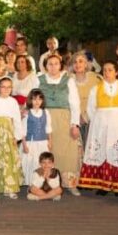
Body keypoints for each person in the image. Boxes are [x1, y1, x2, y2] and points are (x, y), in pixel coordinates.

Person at [78, 61, 118, 196]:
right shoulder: (96, 89)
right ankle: (103, 185)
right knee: (102, 152)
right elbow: (91, 108)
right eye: (104, 70)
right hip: (100, 125)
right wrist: (98, 121)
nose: (107, 73)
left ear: (116, 72)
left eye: (110, 70)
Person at [36, 54, 82, 195]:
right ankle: (47, 183)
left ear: (60, 65)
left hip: (64, 119)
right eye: (50, 64)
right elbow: (32, 98)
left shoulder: (68, 81)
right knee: (47, 151)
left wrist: (75, 124)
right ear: (46, 66)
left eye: (56, 63)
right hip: (44, 118)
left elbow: (75, 103)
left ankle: (70, 184)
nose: (53, 66)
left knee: (68, 152)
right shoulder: (39, 80)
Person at [21, 90, 52, 188]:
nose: (37, 101)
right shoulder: (27, 113)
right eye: (34, 99)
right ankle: (32, 184)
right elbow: (23, 130)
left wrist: (50, 141)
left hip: (43, 142)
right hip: (31, 143)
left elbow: (48, 128)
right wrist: (24, 145)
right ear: (30, 100)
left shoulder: (46, 112)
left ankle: (42, 183)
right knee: (32, 162)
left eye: (39, 99)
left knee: (42, 162)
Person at [71, 52, 103, 146]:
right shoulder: (68, 80)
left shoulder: (96, 79)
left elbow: (100, 99)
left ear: (86, 64)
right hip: (74, 121)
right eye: (75, 62)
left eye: (81, 61)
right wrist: (77, 117)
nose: (77, 64)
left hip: (93, 119)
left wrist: (86, 117)